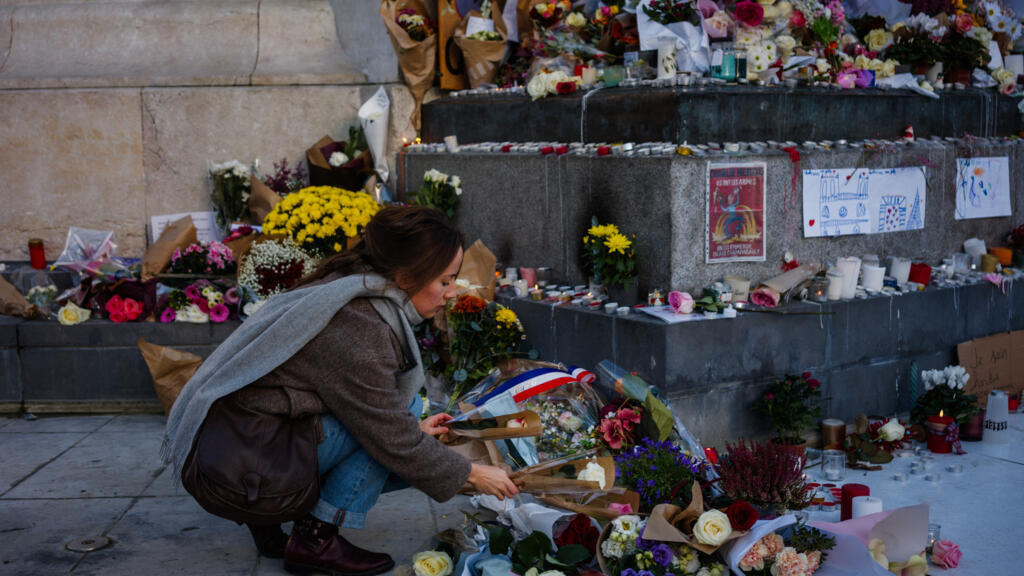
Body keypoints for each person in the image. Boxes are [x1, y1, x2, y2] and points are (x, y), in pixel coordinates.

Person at [163, 205, 518, 576]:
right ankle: (315, 539)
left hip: (238, 444)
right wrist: (473, 473)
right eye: (445, 280)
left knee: (399, 422)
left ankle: (274, 523)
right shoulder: (361, 326)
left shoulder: (350, 283)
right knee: (401, 416)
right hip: (242, 469)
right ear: (404, 275)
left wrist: (411, 435)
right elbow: (391, 438)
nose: (450, 293)